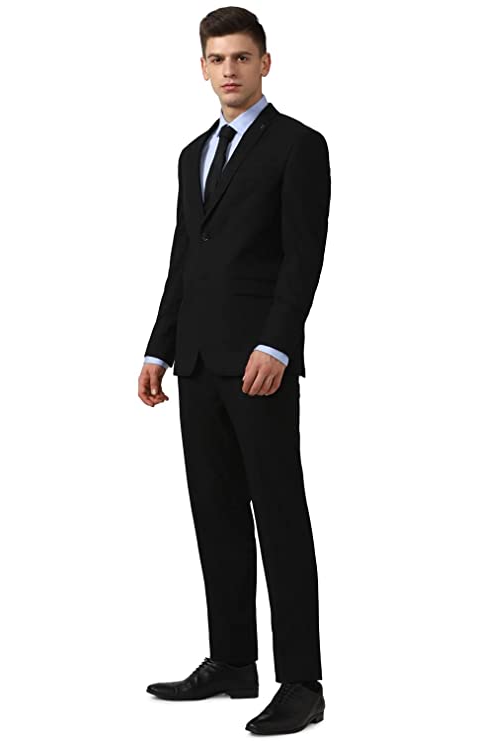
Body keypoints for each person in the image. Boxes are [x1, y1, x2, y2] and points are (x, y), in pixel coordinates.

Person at [138, 6, 331, 735]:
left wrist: (277, 345)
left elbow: (303, 256)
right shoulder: (193, 153)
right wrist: (158, 348)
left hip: (259, 364)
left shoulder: (298, 146)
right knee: (214, 512)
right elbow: (183, 257)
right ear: (202, 67)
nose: (229, 70)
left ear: (265, 64)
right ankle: (231, 660)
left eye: (242, 57)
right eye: (218, 58)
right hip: (195, 361)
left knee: (278, 516)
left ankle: (302, 681)